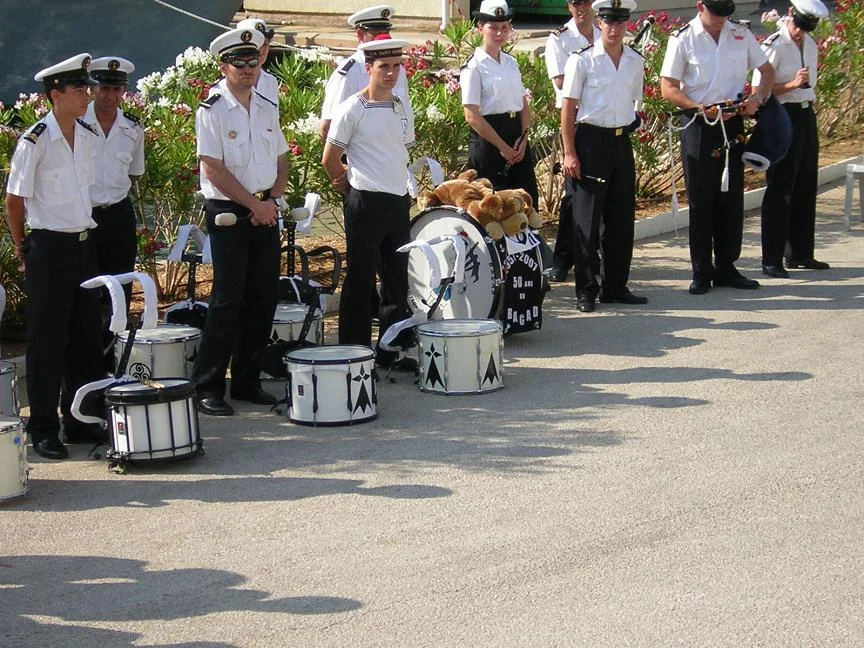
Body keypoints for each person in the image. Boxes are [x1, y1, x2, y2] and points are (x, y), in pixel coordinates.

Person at [5, 53, 105, 459]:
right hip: (49, 247)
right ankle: (43, 428)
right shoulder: (36, 140)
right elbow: (15, 200)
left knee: (86, 336)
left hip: (83, 245)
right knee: (47, 341)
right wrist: (21, 246)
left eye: (87, 87)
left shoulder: (87, 134)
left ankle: (79, 421)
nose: (87, 95)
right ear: (55, 94)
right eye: (78, 88)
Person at [193, 27, 289, 416]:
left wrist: (273, 200)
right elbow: (212, 168)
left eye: (252, 62)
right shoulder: (212, 109)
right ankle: (208, 386)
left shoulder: (265, 104)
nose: (247, 69)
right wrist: (254, 204)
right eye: (238, 63)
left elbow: (281, 156)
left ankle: (247, 382)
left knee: (263, 298)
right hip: (230, 213)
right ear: (224, 67)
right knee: (227, 300)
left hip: (265, 210)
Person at [660, 0, 776, 295]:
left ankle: (727, 266)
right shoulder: (683, 38)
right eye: (716, 12)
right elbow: (668, 87)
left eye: (726, 13)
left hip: (732, 122)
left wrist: (757, 98)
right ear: (701, 6)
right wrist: (697, 106)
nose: (721, 19)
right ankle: (701, 270)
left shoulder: (740, 34)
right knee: (701, 200)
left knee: (731, 199)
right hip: (699, 124)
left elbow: (766, 69)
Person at [321, 36, 415, 367]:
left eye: (396, 66)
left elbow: (402, 148)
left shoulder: (401, 105)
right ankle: (354, 352)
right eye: (383, 67)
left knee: (396, 279)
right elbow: (330, 158)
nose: (391, 73)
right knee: (360, 279)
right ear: (368, 68)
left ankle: (390, 350)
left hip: (397, 199)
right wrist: (346, 186)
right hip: (365, 201)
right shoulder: (352, 108)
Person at [560, 0, 647, 313]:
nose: (614, 28)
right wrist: (569, 152)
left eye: (620, 22)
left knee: (621, 219)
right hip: (590, 142)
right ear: (599, 23)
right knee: (587, 220)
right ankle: (586, 290)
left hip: (621, 142)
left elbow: (635, 103)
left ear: (627, 25)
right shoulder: (582, 60)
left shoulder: (635, 60)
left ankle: (616, 287)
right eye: (609, 21)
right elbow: (568, 109)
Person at [754, 0, 830, 278]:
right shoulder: (774, 44)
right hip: (782, 115)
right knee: (780, 187)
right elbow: (759, 88)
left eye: (806, 27)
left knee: (806, 184)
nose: (800, 31)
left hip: (806, 113)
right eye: (798, 25)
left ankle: (800, 253)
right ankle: (772, 259)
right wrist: (791, 85)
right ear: (790, 14)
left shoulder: (809, 43)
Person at [83, 56, 145, 363]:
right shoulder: (77, 124)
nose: (110, 95)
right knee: (86, 290)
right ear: (92, 89)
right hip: (85, 216)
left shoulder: (132, 127)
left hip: (118, 215)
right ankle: (86, 362)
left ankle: (111, 360)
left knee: (120, 290)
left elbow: (134, 173)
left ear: (124, 91)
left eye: (116, 89)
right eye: (105, 88)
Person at [461, 0, 539, 207]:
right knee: (491, 207)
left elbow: (523, 103)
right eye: (493, 27)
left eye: (504, 27)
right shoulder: (473, 67)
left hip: (516, 137)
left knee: (526, 202)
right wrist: (502, 147)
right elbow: (471, 115)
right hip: (489, 139)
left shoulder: (510, 62)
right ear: (480, 29)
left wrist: (524, 138)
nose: (499, 33)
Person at [544, 0, 601, 282]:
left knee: (597, 195)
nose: (582, 8)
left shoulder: (604, 33)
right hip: (574, 122)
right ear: (569, 6)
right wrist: (601, 85)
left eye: (586, 1)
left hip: (600, 123)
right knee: (572, 195)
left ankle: (589, 257)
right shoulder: (559, 39)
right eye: (576, 2)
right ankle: (563, 258)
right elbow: (561, 81)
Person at [318, 5, 411, 142]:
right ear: (360, 34)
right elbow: (327, 128)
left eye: (386, 32)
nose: (383, 38)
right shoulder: (348, 74)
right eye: (377, 33)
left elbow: (403, 113)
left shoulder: (398, 70)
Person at [235, 18, 280, 105]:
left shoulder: (270, 81)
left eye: (265, 44)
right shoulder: (229, 83)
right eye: (256, 44)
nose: (261, 50)